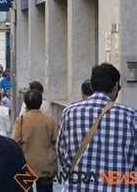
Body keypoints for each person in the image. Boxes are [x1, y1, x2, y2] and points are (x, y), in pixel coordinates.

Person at [57, 63, 136, 191]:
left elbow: (61, 152)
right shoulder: (131, 116)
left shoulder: (70, 112)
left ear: (92, 86)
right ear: (116, 86)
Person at [12, 90, 58, 191]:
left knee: (25, 190)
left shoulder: (21, 120)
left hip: (26, 165)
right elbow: (55, 140)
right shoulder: (51, 121)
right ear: (41, 102)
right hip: (47, 165)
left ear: (26, 104)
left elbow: (14, 142)